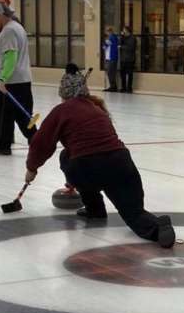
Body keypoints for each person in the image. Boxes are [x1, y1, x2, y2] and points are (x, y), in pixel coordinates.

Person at [24, 68, 176, 248]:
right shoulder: (97, 109)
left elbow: (40, 144)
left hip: (89, 167)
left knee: (66, 156)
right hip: (122, 164)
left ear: (63, 93)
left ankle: (95, 209)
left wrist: (31, 168)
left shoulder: (61, 111)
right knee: (134, 214)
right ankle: (159, 227)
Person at [0, 3, 36, 156]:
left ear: (1, 15)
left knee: (19, 116)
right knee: (9, 115)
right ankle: (4, 144)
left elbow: (11, 57)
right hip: (22, 79)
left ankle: (36, 139)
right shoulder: (17, 27)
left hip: (13, 81)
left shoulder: (8, 31)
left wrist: (2, 78)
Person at [118, 26, 136, 93]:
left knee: (130, 74)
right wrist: (121, 36)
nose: (123, 31)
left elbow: (130, 48)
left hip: (130, 59)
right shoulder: (123, 38)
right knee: (122, 74)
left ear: (127, 31)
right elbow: (119, 44)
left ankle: (129, 88)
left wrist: (121, 47)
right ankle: (123, 88)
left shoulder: (132, 38)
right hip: (123, 59)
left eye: (124, 30)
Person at [103, 27, 119, 92]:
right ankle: (112, 86)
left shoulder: (113, 37)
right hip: (108, 58)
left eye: (107, 32)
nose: (107, 33)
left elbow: (105, 45)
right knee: (110, 72)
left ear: (110, 31)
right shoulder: (110, 38)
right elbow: (104, 46)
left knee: (110, 72)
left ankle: (113, 87)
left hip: (112, 58)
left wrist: (105, 44)